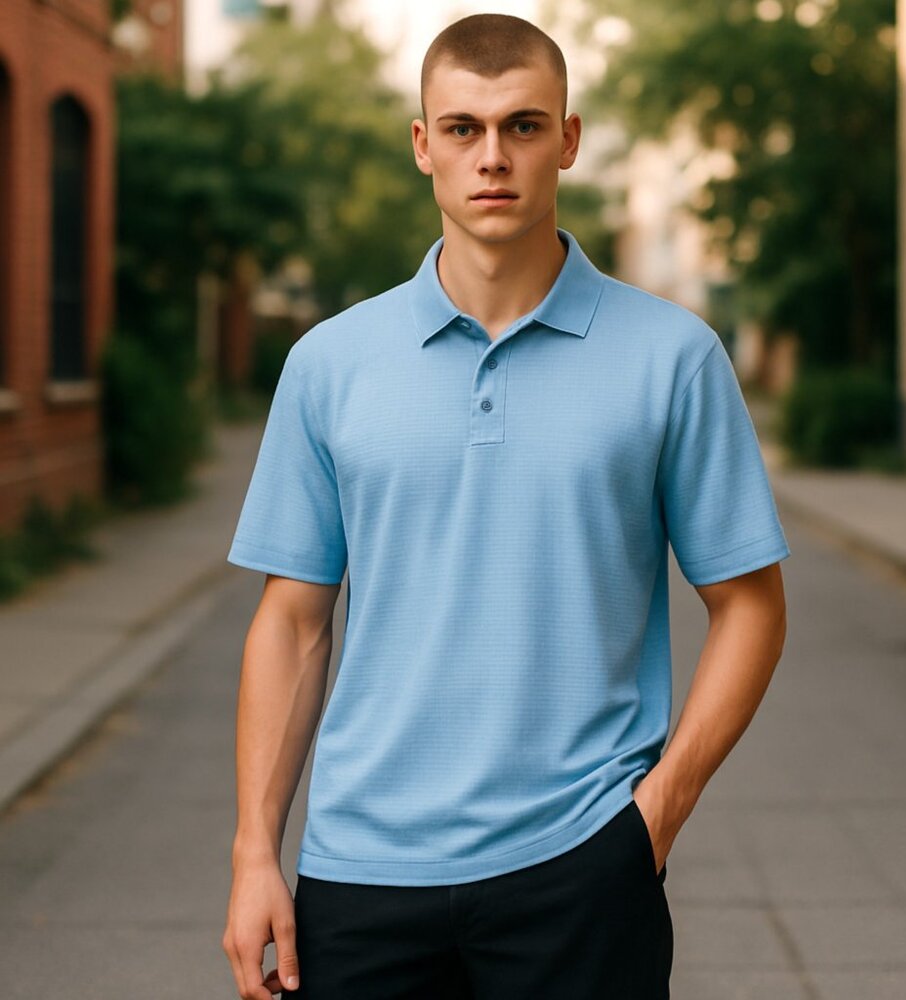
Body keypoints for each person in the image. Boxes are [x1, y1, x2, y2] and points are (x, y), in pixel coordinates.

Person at [222, 12, 790, 1000]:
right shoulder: (328, 364)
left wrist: (653, 815)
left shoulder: (672, 357)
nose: (493, 156)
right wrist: (253, 854)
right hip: (360, 874)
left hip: (580, 869)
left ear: (567, 140)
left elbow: (750, 603)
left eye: (524, 126)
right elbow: (293, 619)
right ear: (422, 145)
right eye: (464, 129)